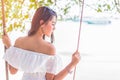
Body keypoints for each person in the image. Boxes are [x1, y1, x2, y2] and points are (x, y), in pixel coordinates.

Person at [2, 6, 80, 80]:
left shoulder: (19, 41)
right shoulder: (49, 48)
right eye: (52, 24)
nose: (54, 28)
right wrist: (72, 64)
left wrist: (9, 45)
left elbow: (13, 71)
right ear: (42, 23)